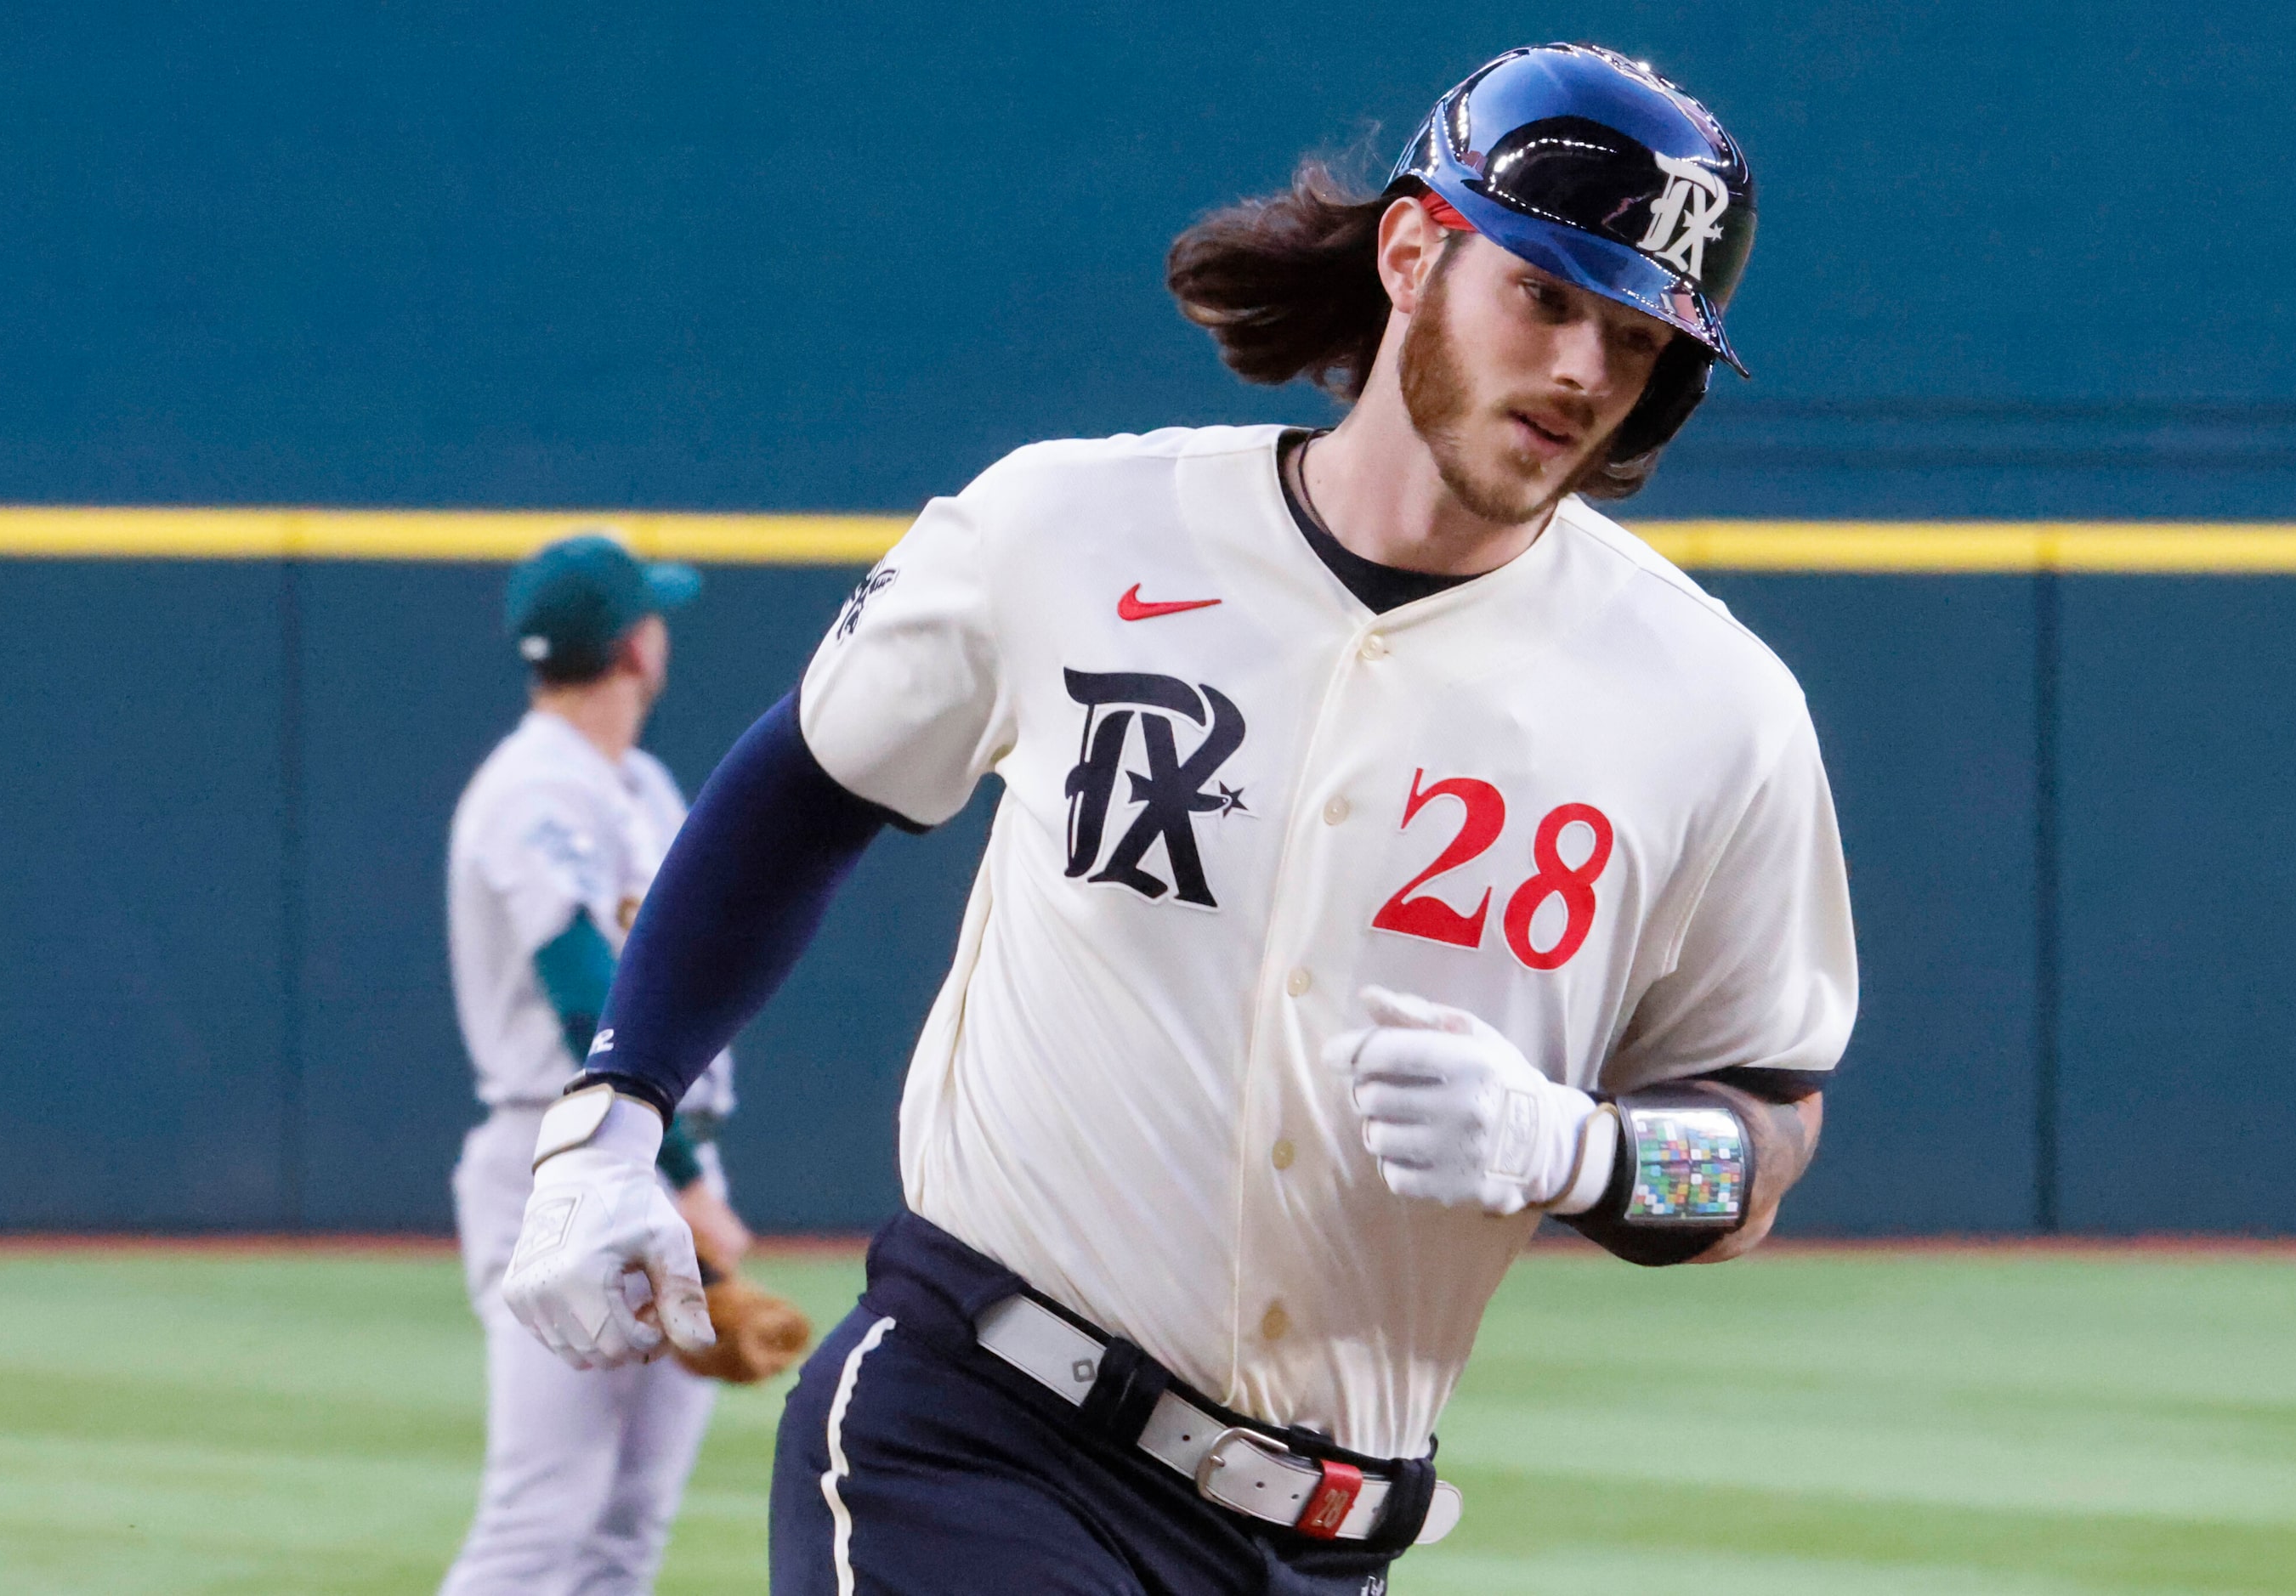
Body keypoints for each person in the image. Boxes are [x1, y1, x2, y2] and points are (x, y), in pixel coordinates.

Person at [501, 43, 1857, 1596]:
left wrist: (1587, 1150)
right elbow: (807, 785)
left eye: (1634, 337)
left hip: (1327, 1539)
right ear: (1413, 250)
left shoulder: (1711, 705)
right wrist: (613, 1114)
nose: (1581, 370)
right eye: (1545, 293)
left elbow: (1759, 1145)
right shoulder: (1074, 528)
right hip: (979, 1432)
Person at [440, 533, 755, 1594]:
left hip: (658, 1154)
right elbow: (586, 996)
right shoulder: (533, 788)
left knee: (627, 1525)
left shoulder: (640, 782)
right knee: (545, 1520)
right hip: (567, 1162)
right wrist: (689, 1187)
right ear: (633, 648)